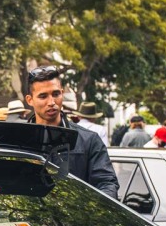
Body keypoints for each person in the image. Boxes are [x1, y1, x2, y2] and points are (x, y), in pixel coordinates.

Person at [23, 66, 118, 198]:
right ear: (30, 100)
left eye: (56, 94)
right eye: (43, 96)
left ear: (62, 93)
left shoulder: (89, 140)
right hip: (28, 216)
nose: (51, 102)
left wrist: (92, 212)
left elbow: (107, 183)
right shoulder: (17, 140)